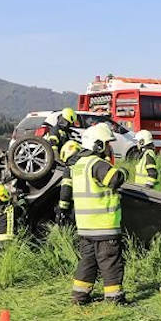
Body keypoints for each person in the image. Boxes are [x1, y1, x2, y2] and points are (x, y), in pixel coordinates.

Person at [64, 124, 128, 305]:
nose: (109, 148)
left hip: (86, 226)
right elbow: (114, 179)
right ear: (98, 145)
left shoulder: (78, 165)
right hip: (104, 225)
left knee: (88, 262)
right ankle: (114, 299)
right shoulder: (97, 164)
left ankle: (79, 296)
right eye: (107, 144)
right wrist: (123, 172)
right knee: (110, 262)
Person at [0, 183, 25, 250]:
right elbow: (22, 211)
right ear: (6, 196)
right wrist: (21, 199)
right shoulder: (11, 210)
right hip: (9, 245)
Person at [56, 139, 83, 224]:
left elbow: (66, 191)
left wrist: (61, 210)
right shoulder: (86, 163)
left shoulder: (70, 168)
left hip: (76, 206)